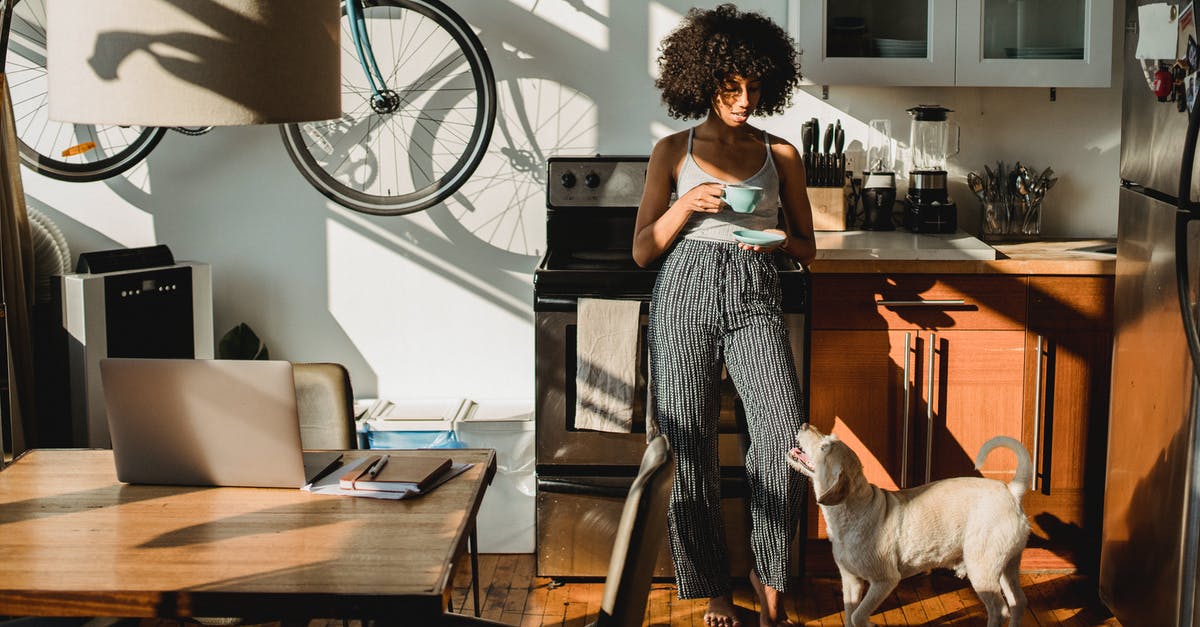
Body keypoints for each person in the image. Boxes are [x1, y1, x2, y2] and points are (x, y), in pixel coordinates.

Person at [632, 4, 815, 627]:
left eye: (754, 88)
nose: (743, 101)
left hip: (756, 291)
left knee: (781, 435)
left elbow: (807, 247)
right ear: (703, 84)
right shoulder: (671, 152)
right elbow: (642, 250)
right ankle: (714, 593)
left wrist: (777, 243)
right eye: (731, 88)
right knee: (689, 446)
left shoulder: (781, 153)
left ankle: (771, 595)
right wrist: (686, 204)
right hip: (684, 291)